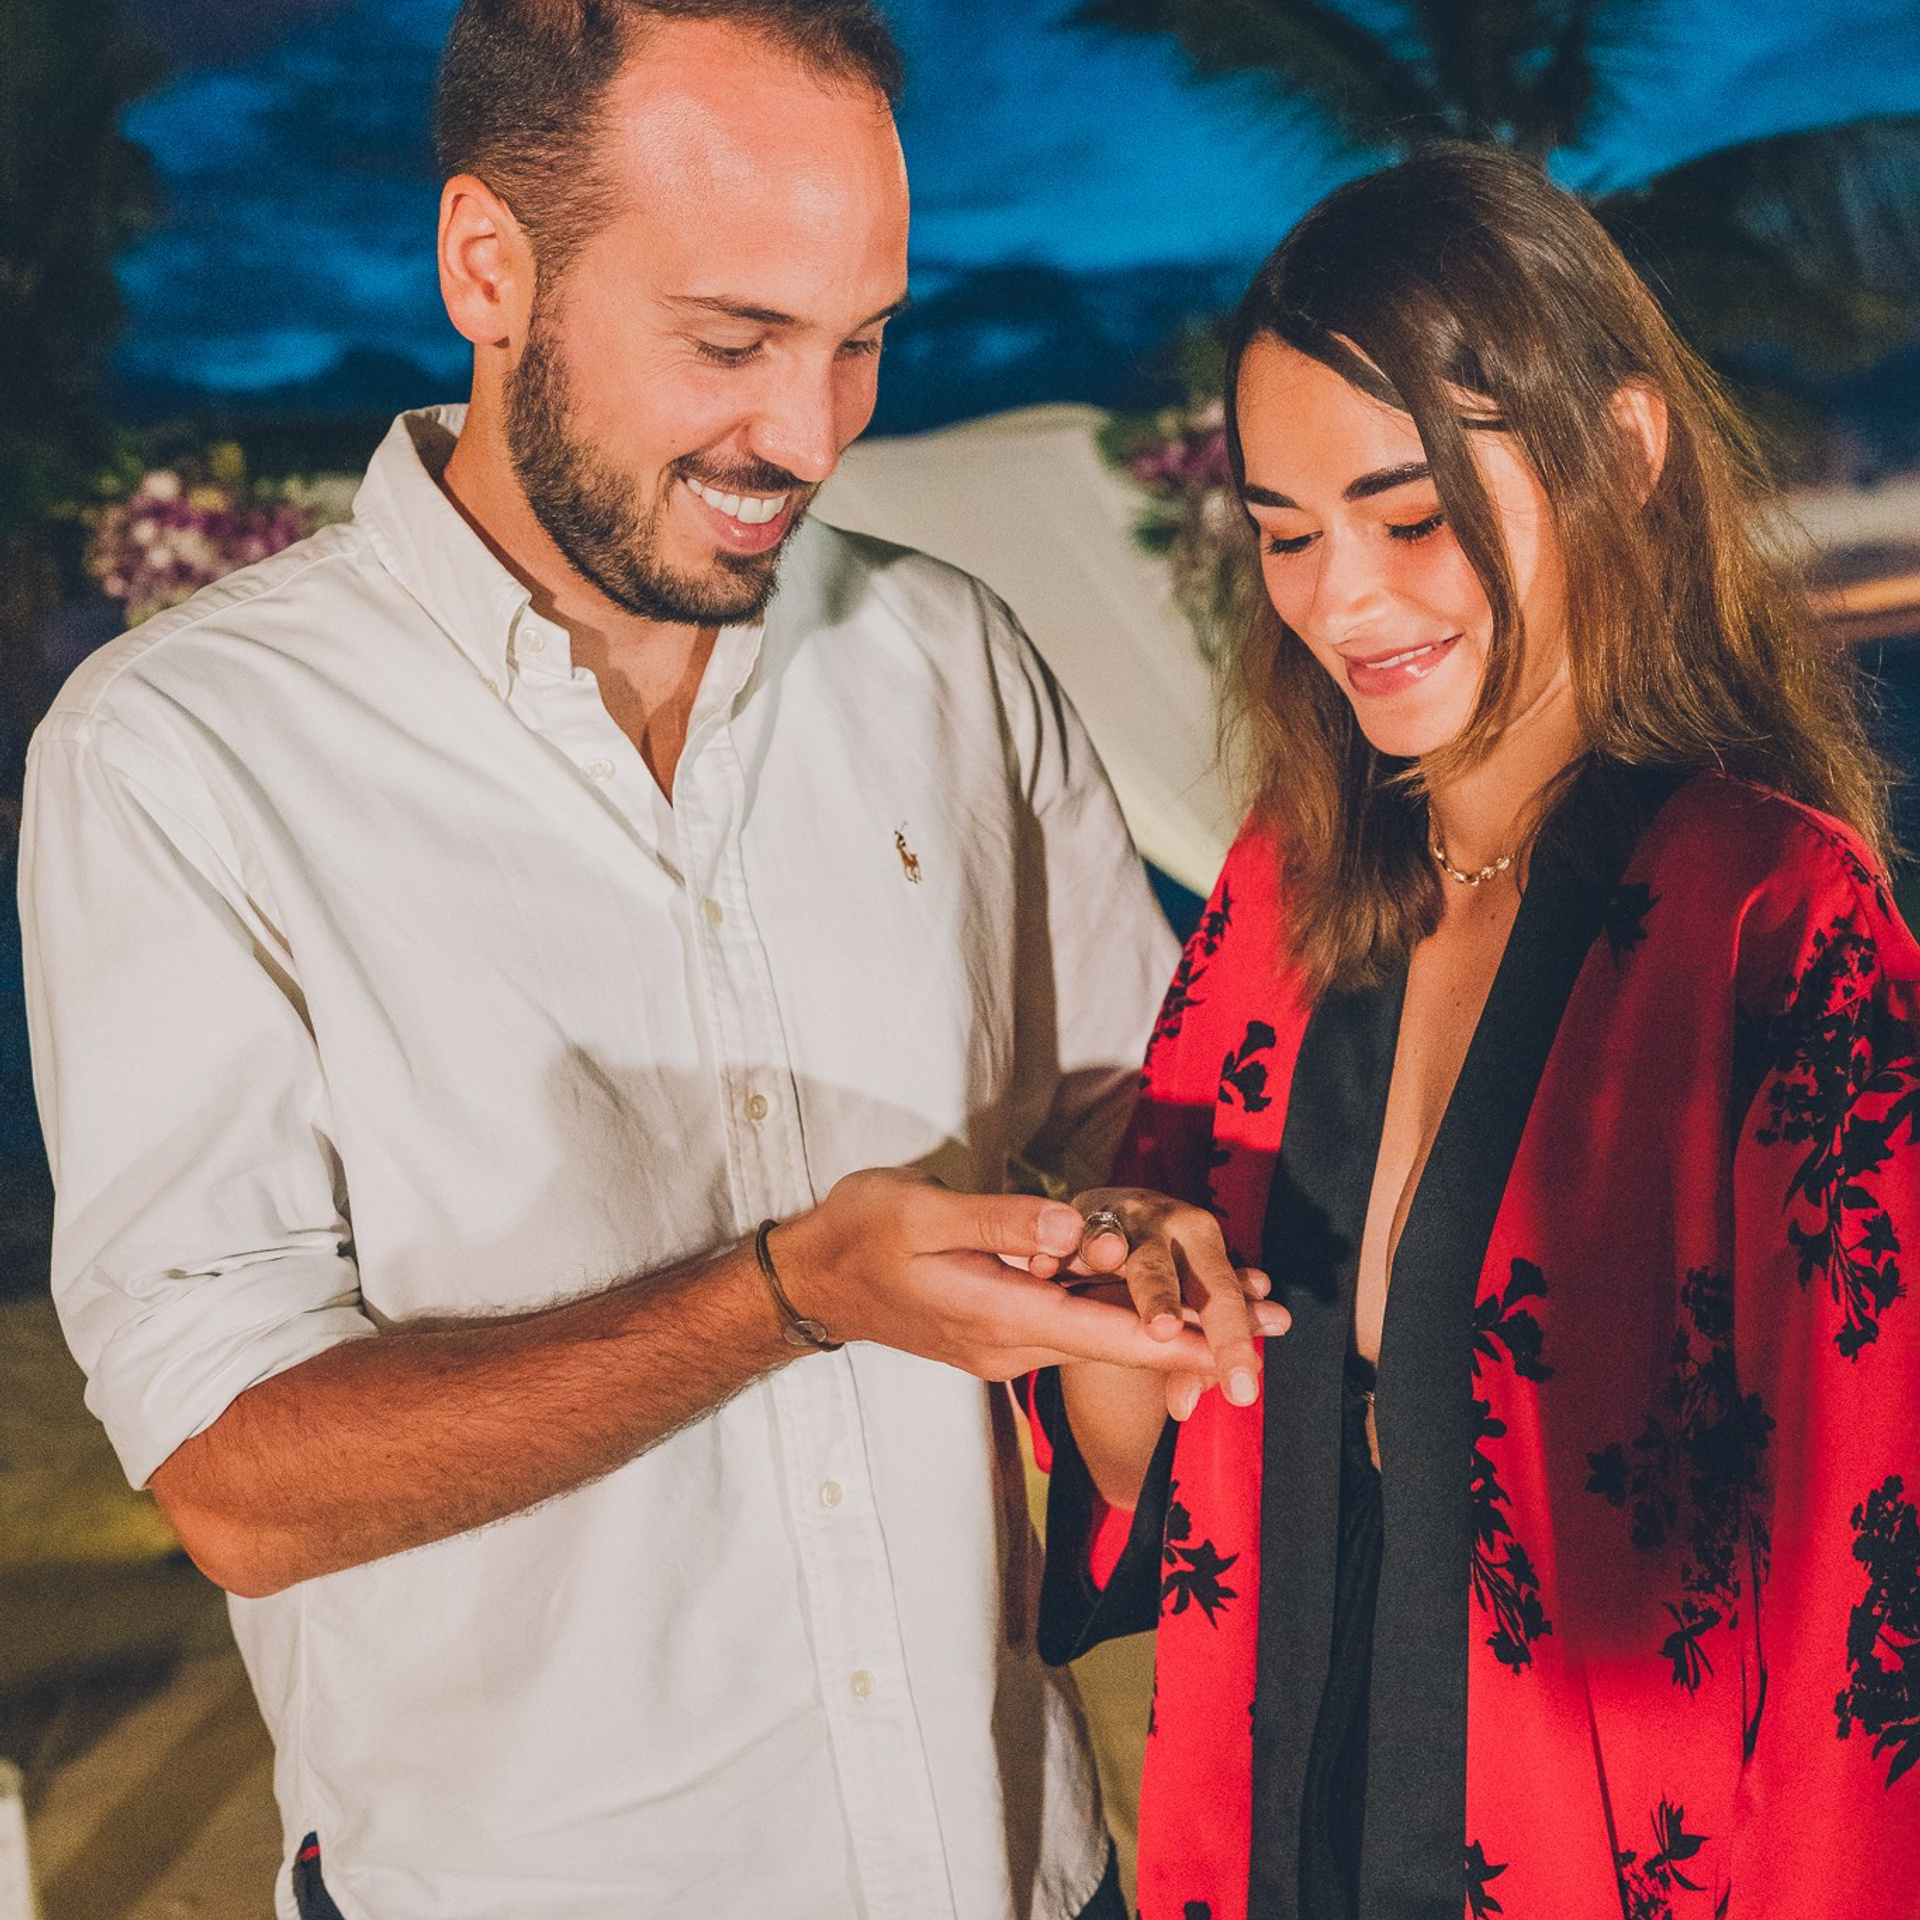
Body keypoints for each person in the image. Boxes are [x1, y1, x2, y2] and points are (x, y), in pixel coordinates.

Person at [18, 5, 1255, 1916]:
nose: (815, 432)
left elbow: (1114, 1099)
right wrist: (788, 1294)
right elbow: (235, 1481)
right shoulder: (181, 752)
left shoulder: (952, 658)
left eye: (862, 340)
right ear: (489, 266)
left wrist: (1137, 1224)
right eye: (731, 339)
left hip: (1020, 1864)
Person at [1030, 146, 1920, 1920]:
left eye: (1409, 514)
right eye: (1284, 534)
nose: (1342, 598)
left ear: (1628, 454)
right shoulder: (1285, 898)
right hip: (1264, 1843)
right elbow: (1134, 1466)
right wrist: (1113, 1287)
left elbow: (1872, 1596)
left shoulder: (1777, 924)